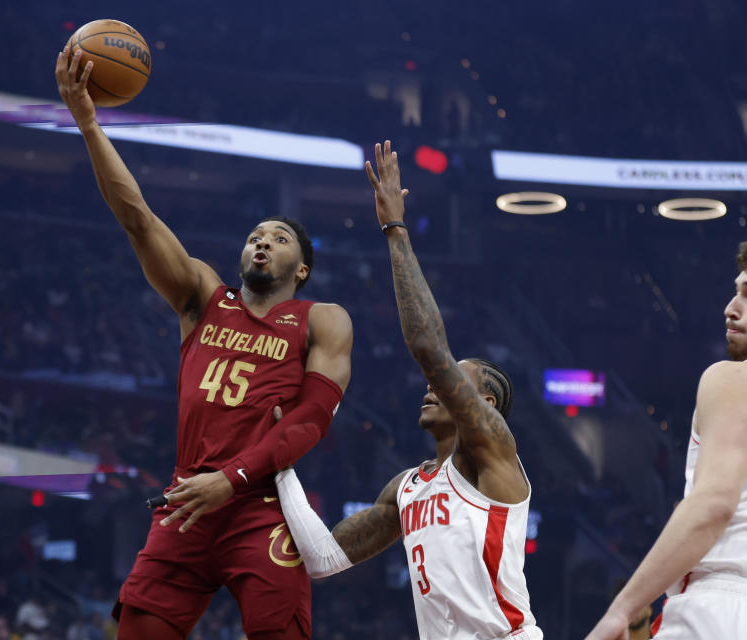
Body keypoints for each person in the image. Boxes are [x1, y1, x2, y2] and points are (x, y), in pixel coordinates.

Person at [55, 45, 353, 640]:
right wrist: (89, 123)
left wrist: (234, 480)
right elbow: (137, 216)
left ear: (301, 270)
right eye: (254, 237)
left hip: (259, 506)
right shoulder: (202, 298)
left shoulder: (321, 319)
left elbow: (310, 423)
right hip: (188, 498)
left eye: (278, 239)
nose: (261, 243)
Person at [274, 141, 542, 639]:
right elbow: (323, 557)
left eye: (452, 381)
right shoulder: (407, 487)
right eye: (439, 381)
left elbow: (428, 347)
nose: (432, 386)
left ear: (484, 406)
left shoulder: (494, 454)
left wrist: (395, 229)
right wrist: (279, 464)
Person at [586, 242, 747, 640]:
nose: (731, 307)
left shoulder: (731, 378)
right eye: (737, 290)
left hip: (721, 607)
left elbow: (713, 504)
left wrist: (623, 608)